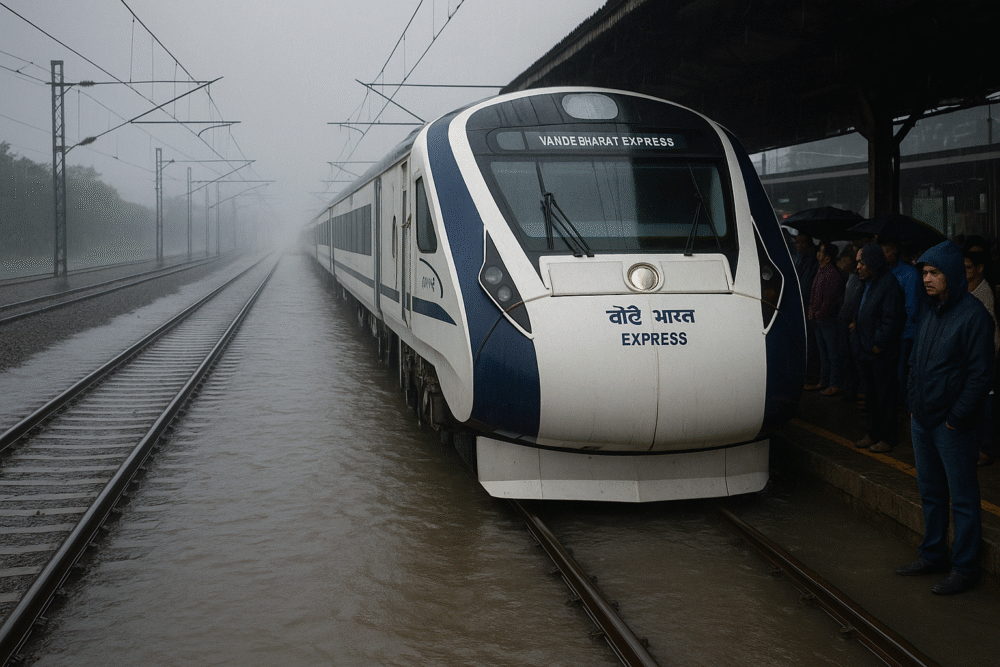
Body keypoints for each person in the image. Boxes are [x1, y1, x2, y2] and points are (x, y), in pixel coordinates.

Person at [896, 240, 994, 595]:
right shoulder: (929, 310)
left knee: (963, 499)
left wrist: (955, 418)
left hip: (953, 425)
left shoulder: (974, 317)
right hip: (921, 419)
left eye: (934, 272)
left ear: (951, 274)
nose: (926, 279)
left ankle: (966, 568)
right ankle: (933, 554)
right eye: (924, 272)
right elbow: (914, 361)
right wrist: (911, 400)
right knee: (931, 493)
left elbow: (981, 376)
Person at [850, 243, 906, 452]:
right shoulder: (868, 282)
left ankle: (888, 437)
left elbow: (892, 320)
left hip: (880, 353)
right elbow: (862, 309)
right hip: (864, 349)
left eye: (862, 263)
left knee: (885, 397)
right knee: (871, 396)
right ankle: (873, 433)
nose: (858, 267)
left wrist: (878, 345)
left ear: (873, 263)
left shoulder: (889, 284)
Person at [964, 247, 999, 466]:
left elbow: (992, 332)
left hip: (986, 356)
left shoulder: (984, 294)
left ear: (980, 269)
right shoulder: (967, 289)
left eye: (968, 267)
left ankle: (985, 449)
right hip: (971, 357)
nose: (965, 271)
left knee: (986, 403)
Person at [807, 241, 845, 395]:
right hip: (818, 320)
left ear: (828, 257)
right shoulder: (820, 270)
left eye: (821, 252)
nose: (818, 255)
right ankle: (823, 382)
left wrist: (817, 313)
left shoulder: (832, 274)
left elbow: (828, 300)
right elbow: (814, 292)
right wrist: (811, 309)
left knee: (832, 353)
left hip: (827, 320)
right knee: (823, 354)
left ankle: (834, 384)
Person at [795, 234, 821, 389]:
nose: (798, 245)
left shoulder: (812, 261)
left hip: (810, 306)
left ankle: (812, 376)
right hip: (803, 305)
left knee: (812, 344)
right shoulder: (801, 259)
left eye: (801, 242)